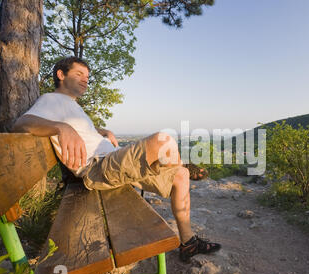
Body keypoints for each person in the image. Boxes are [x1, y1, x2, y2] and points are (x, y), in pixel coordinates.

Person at [11, 56, 221, 263]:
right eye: (79, 74)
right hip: (98, 169)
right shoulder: (51, 100)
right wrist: (60, 127)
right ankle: (176, 162)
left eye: (87, 76)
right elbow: (21, 123)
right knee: (163, 140)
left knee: (181, 176)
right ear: (61, 75)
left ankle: (188, 242)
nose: (85, 79)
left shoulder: (71, 105)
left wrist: (103, 131)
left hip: (110, 163)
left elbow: (85, 132)